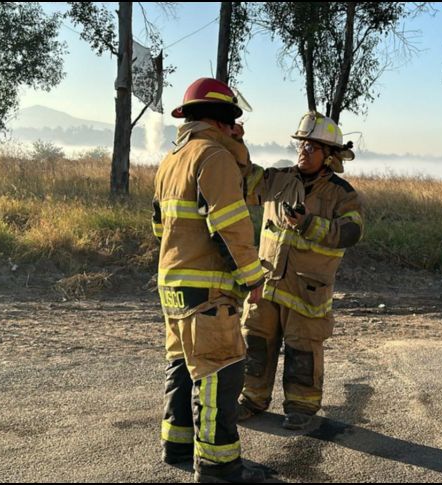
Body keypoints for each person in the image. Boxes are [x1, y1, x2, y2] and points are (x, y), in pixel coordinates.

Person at [152, 77, 267, 483]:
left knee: (183, 365)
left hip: (172, 283)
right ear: (223, 119)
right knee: (220, 372)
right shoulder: (214, 157)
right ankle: (219, 467)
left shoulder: (171, 161)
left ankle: (178, 444)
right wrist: (252, 275)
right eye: (233, 121)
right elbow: (230, 226)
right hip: (208, 290)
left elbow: (159, 228)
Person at [236, 111, 363, 430]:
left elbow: (352, 232)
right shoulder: (278, 179)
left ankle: (301, 407)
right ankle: (252, 399)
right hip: (265, 283)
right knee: (255, 342)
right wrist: (235, 142)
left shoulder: (342, 194)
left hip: (308, 289)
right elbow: (243, 180)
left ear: (329, 156)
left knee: (302, 348)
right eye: (301, 145)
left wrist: (308, 224)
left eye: (311, 147)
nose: (303, 151)